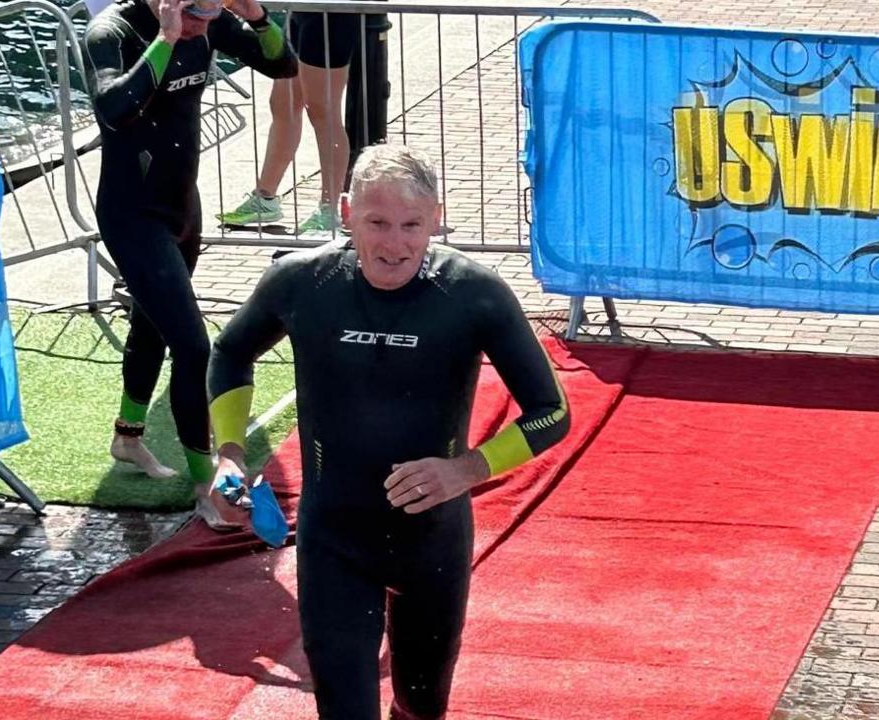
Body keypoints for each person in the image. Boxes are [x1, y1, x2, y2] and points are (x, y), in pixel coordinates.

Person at [205, 144, 572, 719]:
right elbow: (230, 353)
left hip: (433, 543)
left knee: (420, 707)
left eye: (411, 225)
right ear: (346, 213)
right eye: (377, 223)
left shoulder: (473, 294)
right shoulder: (303, 283)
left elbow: (550, 412)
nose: (394, 244)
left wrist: (465, 470)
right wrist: (228, 455)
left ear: (436, 217)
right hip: (334, 542)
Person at [82, 0, 297, 525]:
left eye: (211, 12)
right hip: (132, 214)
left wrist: (257, 16)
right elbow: (113, 107)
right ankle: (207, 485)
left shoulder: (212, 20)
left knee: (152, 324)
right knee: (193, 343)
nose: (204, 24)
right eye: (195, 14)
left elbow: (282, 63)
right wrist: (167, 38)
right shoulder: (111, 31)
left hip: (182, 207)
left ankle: (128, 436)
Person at [215, 10, 363, 235]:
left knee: (322, 109)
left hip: (332, 15)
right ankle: (265, 197)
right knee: (283, 103)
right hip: (303, 11)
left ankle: (329, 207)